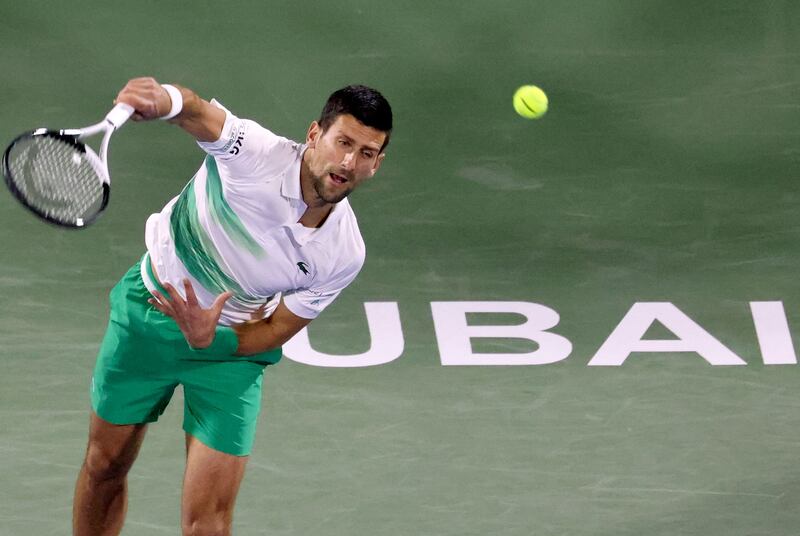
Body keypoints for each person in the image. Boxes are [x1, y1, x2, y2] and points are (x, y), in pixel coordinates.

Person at [72, 77, 393, 536]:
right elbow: (198, 112)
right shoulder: (257, 155)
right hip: (150, 313)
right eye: (343, 142)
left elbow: (278, 328)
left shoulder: (343, 252)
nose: (348, 162)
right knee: (104, 467)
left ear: (377, 164)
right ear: (314, 135)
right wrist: (163, 99)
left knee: (209, 524)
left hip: (229, 353)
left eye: (366, 153)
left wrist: (214, 338)